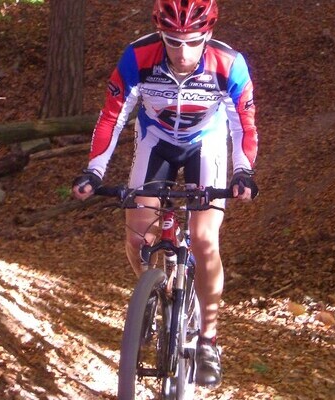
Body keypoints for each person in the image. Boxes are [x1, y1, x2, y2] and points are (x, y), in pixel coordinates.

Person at [72, 0, 258, 388]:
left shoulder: (229, 64)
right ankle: (150, 293)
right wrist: (95, 170)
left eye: (193, 42)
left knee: (204, 240)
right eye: (173, 41)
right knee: (138, 234)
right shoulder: (138, 57)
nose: (183, 52)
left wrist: (243, 171)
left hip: (205, 144)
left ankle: (208, 340)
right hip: (155, 141)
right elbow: (113, 115)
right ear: (160, 34)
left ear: (208, 35)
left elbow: (242, 124)